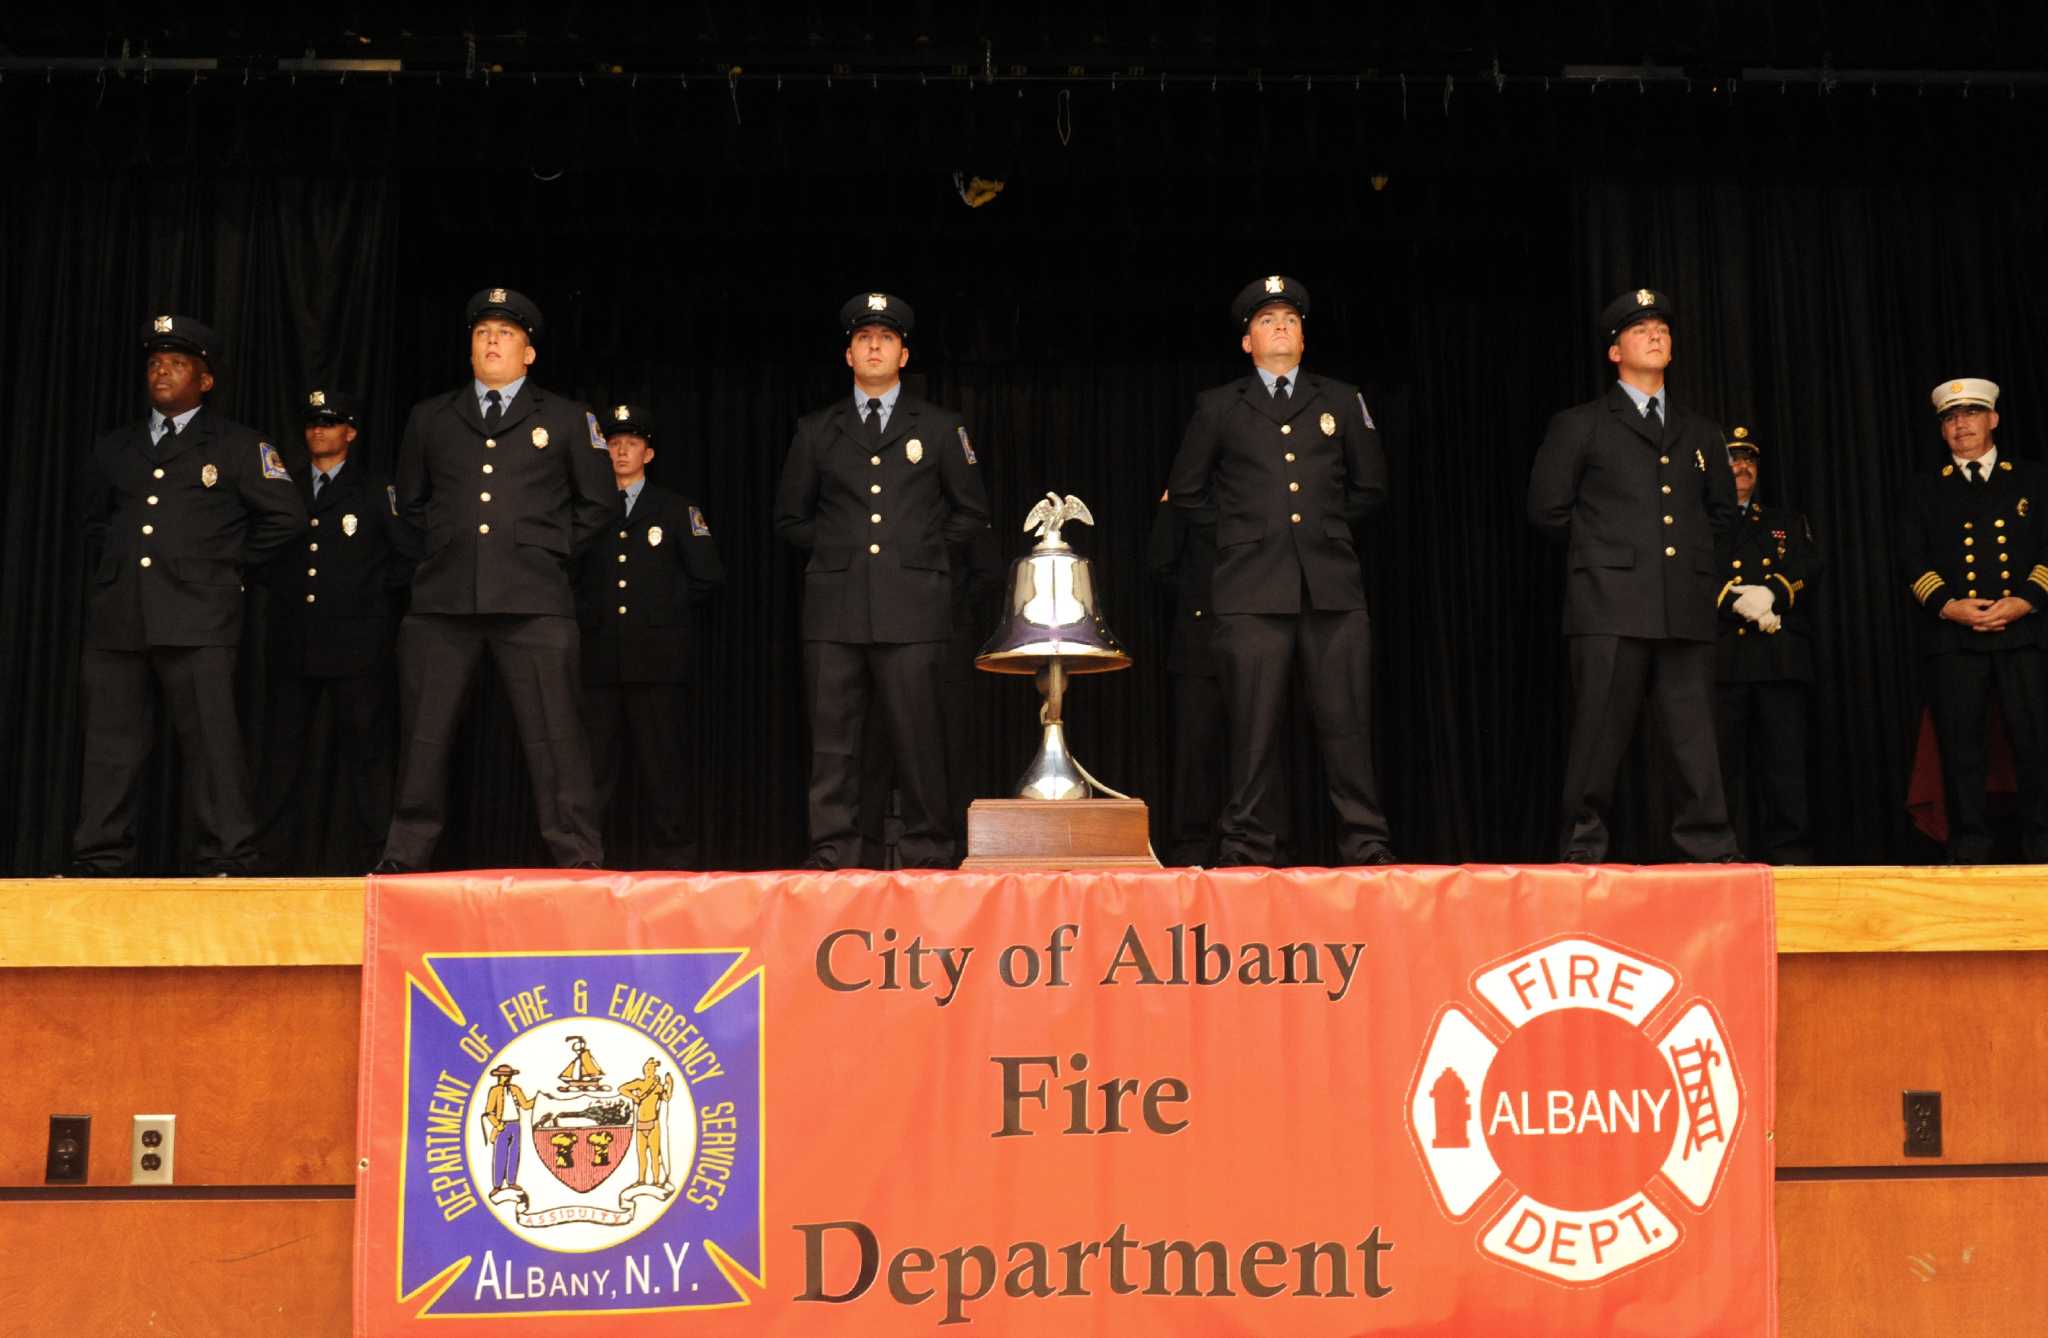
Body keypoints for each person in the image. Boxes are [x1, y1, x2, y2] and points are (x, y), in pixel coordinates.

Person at [376, 288, 618, 872]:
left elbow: (600, 504)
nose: (492, 341)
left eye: (506, 333)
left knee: (556, 737)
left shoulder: (564, 417)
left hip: (534, 597)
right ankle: (404, 858)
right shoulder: (431, 416)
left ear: (528, 353)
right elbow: (407, 504)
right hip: (444, 599)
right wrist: (442, 550)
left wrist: (546, 550)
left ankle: (577, 855)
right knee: (424, 739)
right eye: (483, 331)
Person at [1166, 275, 1395, 866]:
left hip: (1331, 587)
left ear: (1303, 335)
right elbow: (1188, 494)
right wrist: (1243, 536)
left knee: (1346, 723)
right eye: (1267, 321)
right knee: (1253, 726)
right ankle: (1246, 844)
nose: (1281, 329)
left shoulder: (1341, 400)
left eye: (1290, 320)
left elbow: (1371, 487)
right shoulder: (1219, 406)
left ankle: (1364, 841)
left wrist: (1318, 532)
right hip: (1249, 588)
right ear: (1247, 342)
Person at [70, 315, 306, 875]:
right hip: (121, 615)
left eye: (176, 364)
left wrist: (223, 563)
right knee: (111, 745)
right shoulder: (116, 446)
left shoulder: (237, 445)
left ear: (204, 380)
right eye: (155, 363)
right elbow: (93, 521)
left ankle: (230, 855)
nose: (162, 372)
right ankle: (100, 857)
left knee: (212, 744)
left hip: (199, 616)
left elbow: (287, 519)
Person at [772, 293, 991, 869]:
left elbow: (971, 512)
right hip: (835, 607)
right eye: (864, 338)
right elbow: (790, 518)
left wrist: (919, 554)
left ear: (904, 353)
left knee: (919, 737)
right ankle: (835, 853)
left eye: (885, 338)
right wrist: (841, 553)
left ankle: (928, 849)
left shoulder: (941, 427)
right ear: (848, 354)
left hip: (914, 606)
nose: (874, 346)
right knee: (833, 741)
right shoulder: (817, 429)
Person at [1527, 288, 1741, 862]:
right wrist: (1611, 555)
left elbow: (1722, 512)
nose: (1656, 335)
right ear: (1615, 350)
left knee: (1694, 737)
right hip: (1611, 603)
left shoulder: (1700, 431)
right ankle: (1583, 848)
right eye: (1641, 328)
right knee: (1599, 735)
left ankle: (1710, 848)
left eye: (1663, 328)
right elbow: (1548, 509)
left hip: (1684, 604)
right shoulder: (1582, 424)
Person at [257, 389, 414, 872]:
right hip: (294, 640)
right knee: (282, 753)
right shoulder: (284, 487)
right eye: (311, 424)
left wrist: (366, 600)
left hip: (356, 645)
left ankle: (380, 858)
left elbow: (405, 555)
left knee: (366, 753)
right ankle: (267, 857)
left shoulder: (374, 489)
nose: (318, 431)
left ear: (350, 432)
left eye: (329, 423)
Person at [1899, 377, 2048, 862]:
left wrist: (2026, 599)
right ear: (1942, 431)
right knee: (1961, 753)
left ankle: (2041, 847)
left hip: (2023, 632)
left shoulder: (2031, 478)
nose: (1961, 425)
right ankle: (1969, 852)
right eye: (1950, 419)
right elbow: (1911, 560)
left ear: (1993, 419)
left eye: (1970, 414)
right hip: (1953, 638)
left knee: (2034, 745)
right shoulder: (1925, 489)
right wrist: (1948, 604)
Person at [577, 402, 724, 869]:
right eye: (614, 443)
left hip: (657, 660)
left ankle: (673, 862)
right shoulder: (588, 509)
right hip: (599, 659)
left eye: (631, 443)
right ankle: (584, 860)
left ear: (649, 452)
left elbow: (707, 577)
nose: (621, 451)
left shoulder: (676, 509)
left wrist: (658, 612)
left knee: (664, 768)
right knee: (592, 770)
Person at [1713, 426, 1822, 863]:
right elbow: (1686, 574)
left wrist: (1774, 592)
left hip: (1779, 656)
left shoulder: (1785, 521)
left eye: (1749, 461)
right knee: (1725, 766)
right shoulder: (1699, 520)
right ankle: (1723, 854)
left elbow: (1811, 563)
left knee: (1786, 764)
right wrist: (1734, 603)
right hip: (1725, 658)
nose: (1742, 468)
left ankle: (1791, 854)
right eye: (1732, 460)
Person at [1146, 492, 1227, 866]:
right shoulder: (1188, 488)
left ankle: (1264, 839)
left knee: (1259, 743)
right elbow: (1161, 562)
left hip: (1265, 627)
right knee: (1196, 748)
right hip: (1200, 635)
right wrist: (1202, 599)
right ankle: (1193, 844)